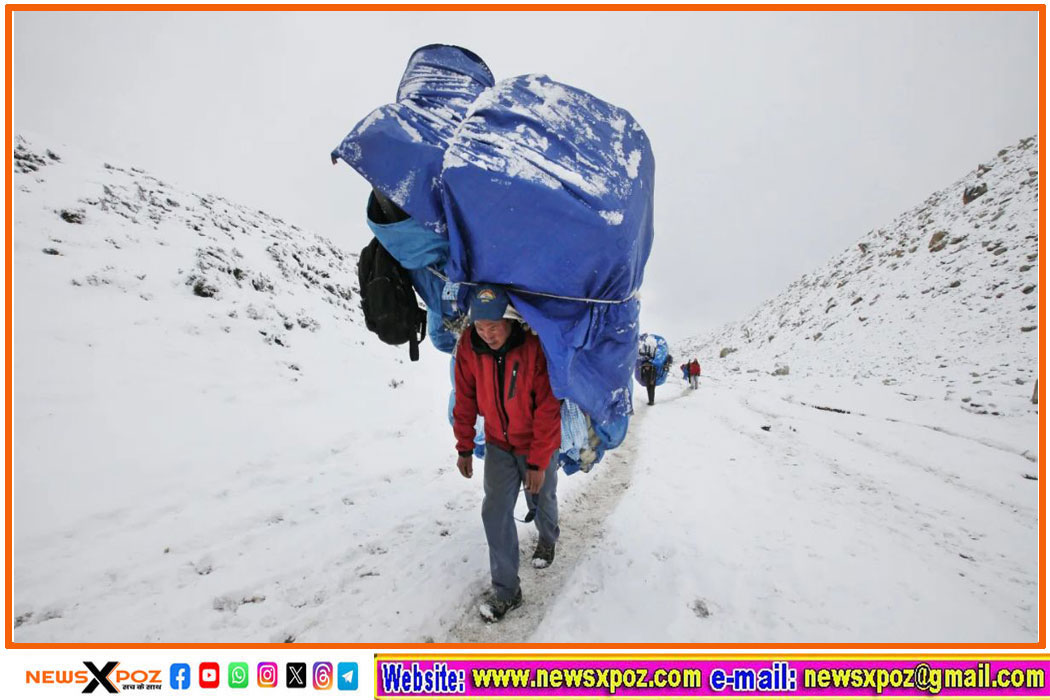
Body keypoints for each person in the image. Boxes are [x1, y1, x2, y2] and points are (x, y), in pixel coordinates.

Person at [452, 284, 562, 623]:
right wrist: (464, 446)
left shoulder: (533, 348)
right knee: (495, 511)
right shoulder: (469, 347)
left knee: (541, 497)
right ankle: (507, 591)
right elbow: (465, 398)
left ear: (510, 320)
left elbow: (548, 407)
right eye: (480, 327)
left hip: (535, 441)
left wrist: (538, 462)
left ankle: (547, 538)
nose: (487, 335)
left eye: (493, 327)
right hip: (498, 444)